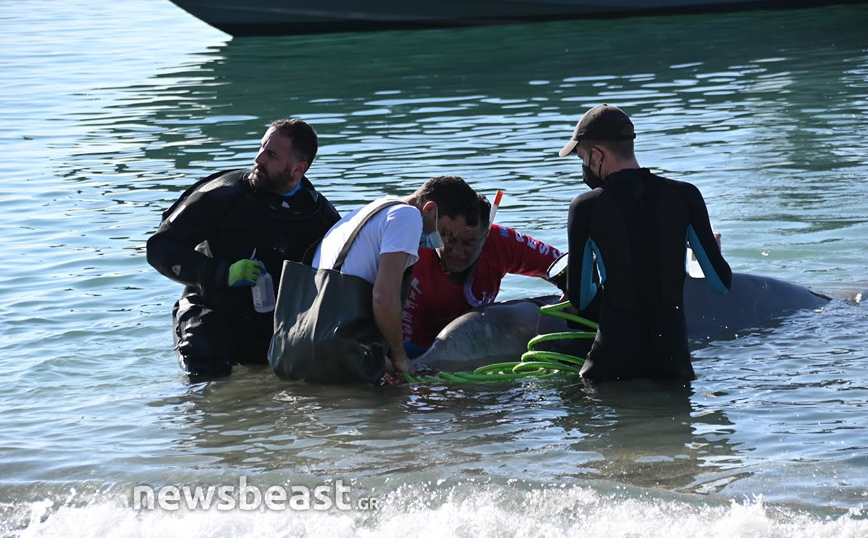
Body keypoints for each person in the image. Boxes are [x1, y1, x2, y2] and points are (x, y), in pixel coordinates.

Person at [147, 118, 340, 379]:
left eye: (271, 155)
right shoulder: (223, 193)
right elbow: (160, 247)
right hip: (210, 310)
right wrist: (223, 274)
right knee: (204, 358)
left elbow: (341, 284)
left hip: (272, 323)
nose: (258, 159)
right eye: (261, 148)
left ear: (298, 169)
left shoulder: (320, 217)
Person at [558, 104, 732, 382]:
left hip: (612, 363)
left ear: (598, 155)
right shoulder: (686, 196)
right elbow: (720, 283)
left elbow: (580, 298)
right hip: (672, 362)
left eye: (583, 158)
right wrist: (708, 252)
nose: (584, 167)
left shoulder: (585, 207)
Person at [313, 176, 482, 376]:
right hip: (336, 342)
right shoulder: (407, 217)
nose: (443, 242)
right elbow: (384, 297)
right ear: (430, 209)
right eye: (445, 232)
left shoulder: (380, 208)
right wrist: (399, 356)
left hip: (316, 332)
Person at [402, 192, 565, 356]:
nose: (458, 252)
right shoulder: (413, 251)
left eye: (469, 242)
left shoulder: (501, 242)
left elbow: (564, 265)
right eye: (450, 239)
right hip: (415, 349)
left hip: (475, 345)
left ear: (485, 235)